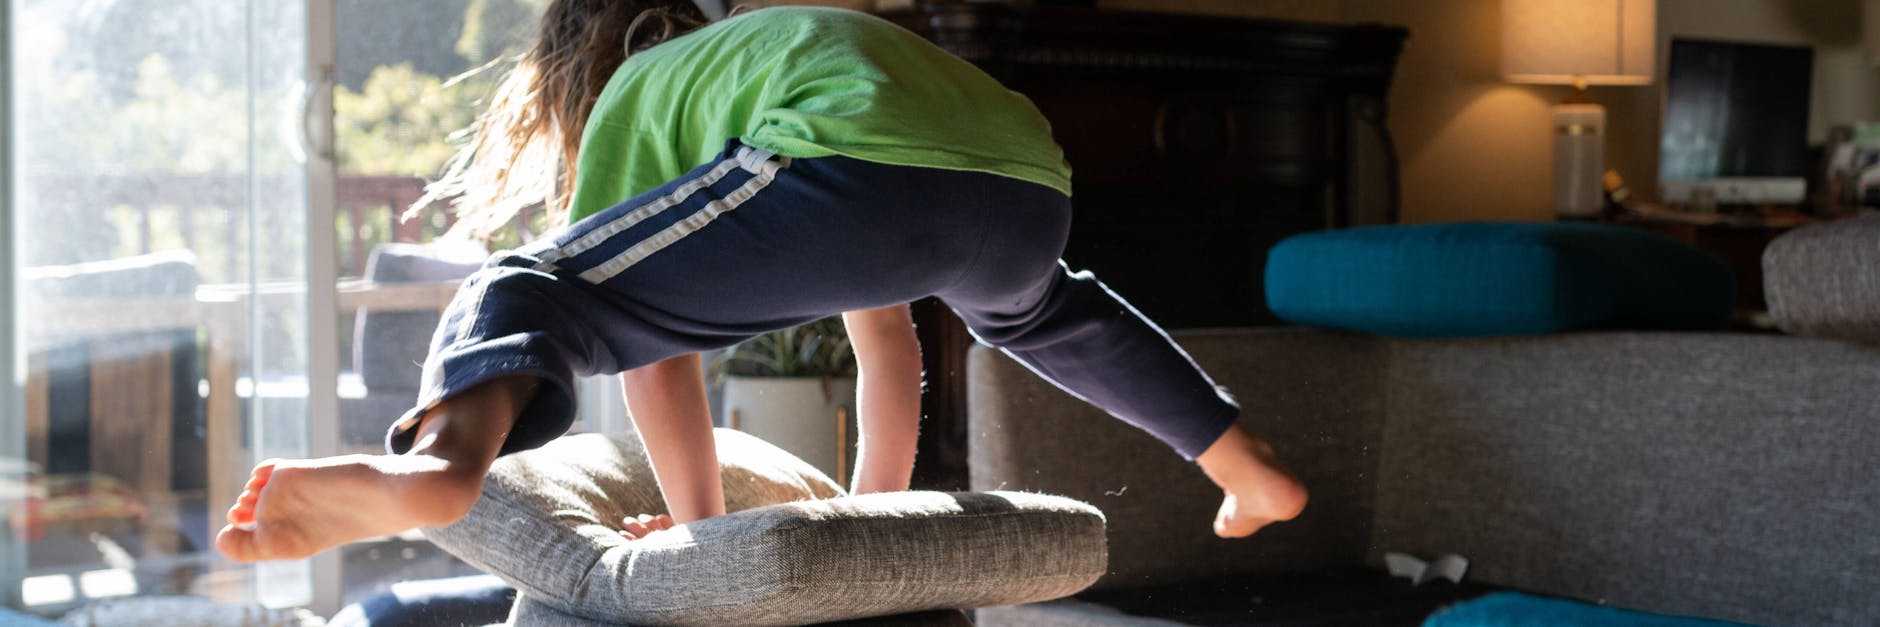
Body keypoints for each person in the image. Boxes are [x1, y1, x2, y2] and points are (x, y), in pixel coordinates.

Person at [216, 0, 1307, 563]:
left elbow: (654, 362)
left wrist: (697, 536)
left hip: (856, 159)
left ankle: (431, 471)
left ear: (573, 81)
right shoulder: (760, 54)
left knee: (527, 291)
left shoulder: (635, 98)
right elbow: (889, 347)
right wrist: (877, 514)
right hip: (1020, 174)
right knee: (1047, 313)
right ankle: (1243, 465)